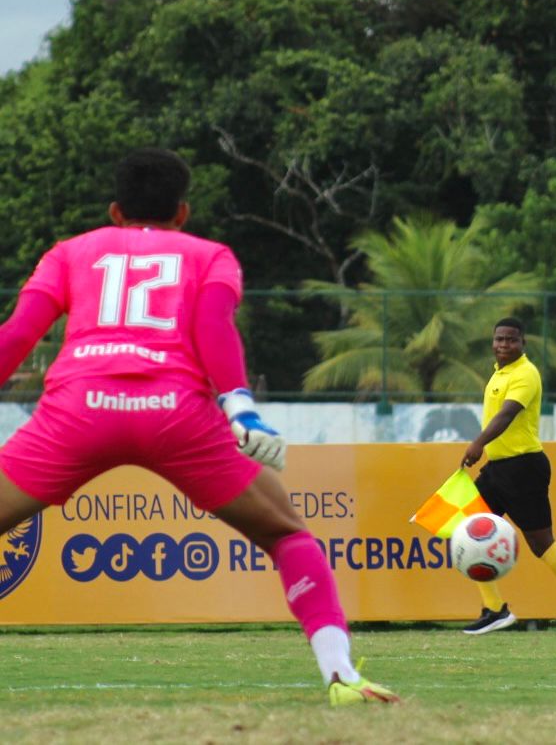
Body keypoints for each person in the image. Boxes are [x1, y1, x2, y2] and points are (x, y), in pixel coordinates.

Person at [0, 148, 397, 706]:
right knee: (287, 535)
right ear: (182, 212)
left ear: (115, 211)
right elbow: (213, 329)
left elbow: (19, 334)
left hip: (78, 411)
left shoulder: (69, 252)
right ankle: (340, 674)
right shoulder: (209, 255)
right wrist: (242, 409)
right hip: (176, 414)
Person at [460, 317, 556, 636]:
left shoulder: (526, 374)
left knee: (542, 545)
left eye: (511, 339)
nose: (504, 345)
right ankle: (494, 610)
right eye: (499, 339)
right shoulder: (499, 373)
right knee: (467, 527)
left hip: (524, 468)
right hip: (498, 469)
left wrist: (478, 443)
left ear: (522, 343)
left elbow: (507, 415)